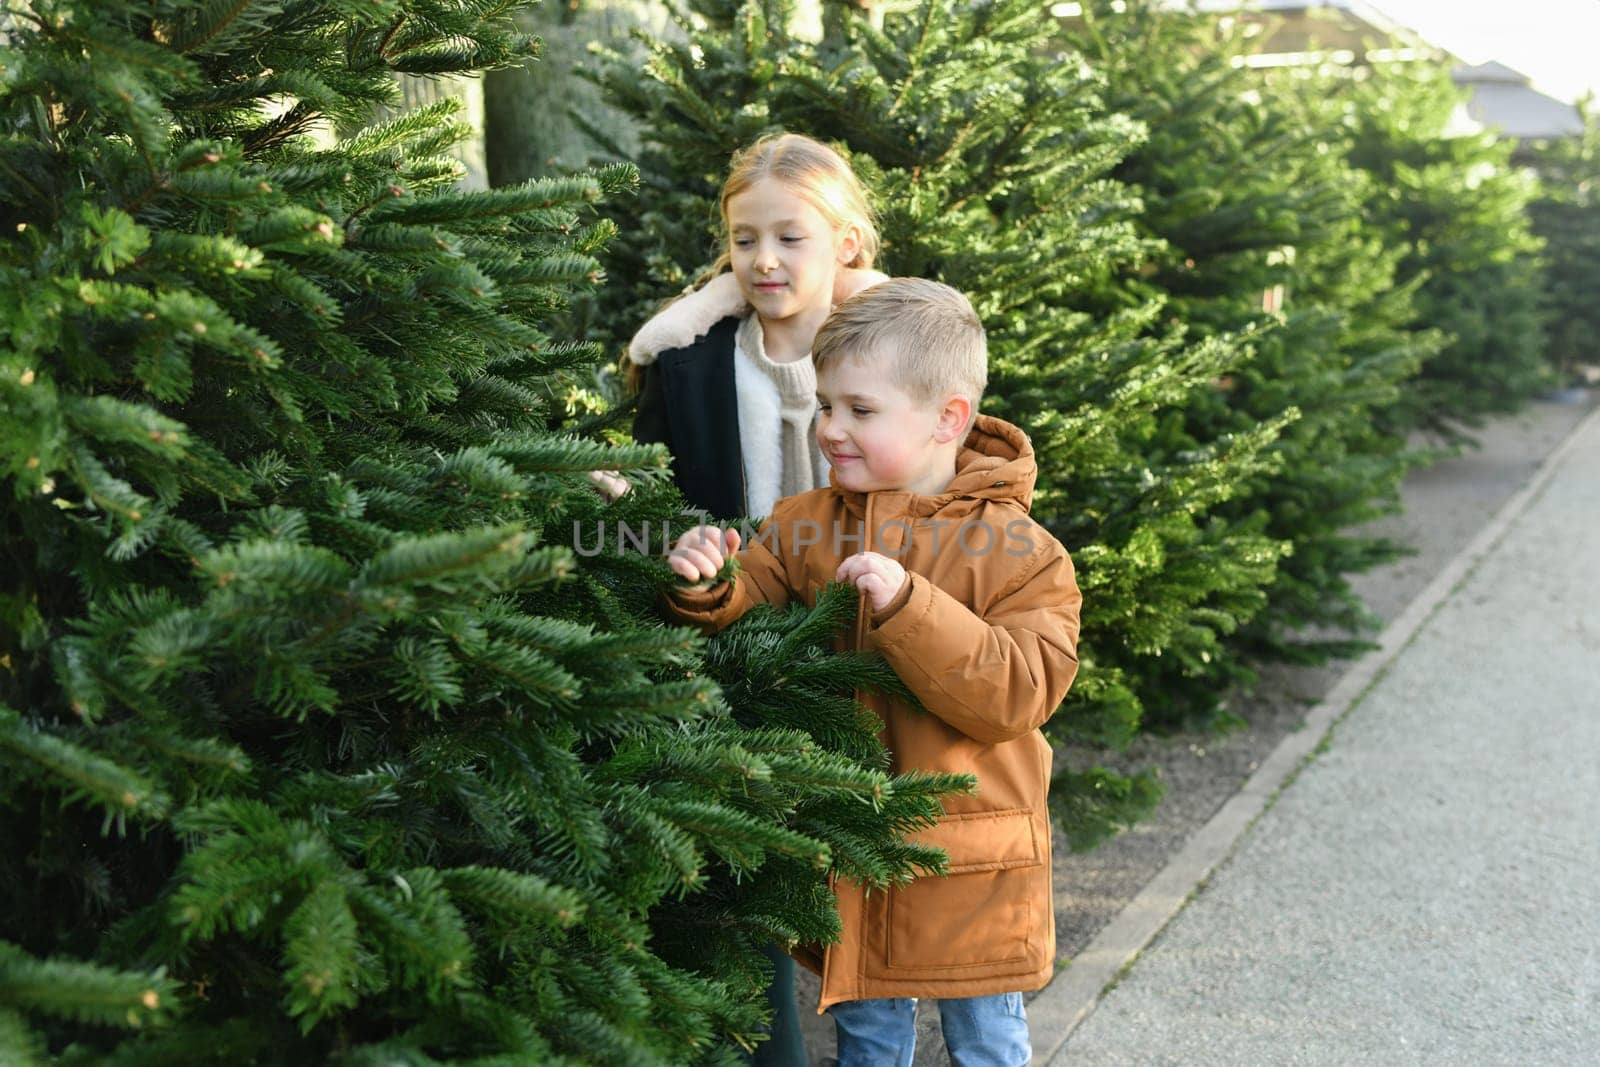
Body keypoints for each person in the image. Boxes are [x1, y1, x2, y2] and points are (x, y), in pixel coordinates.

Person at [663, 279, 1082, 1066]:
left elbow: (1019, 690)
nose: (829, 430)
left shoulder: (1022, 552)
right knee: (866, 1036)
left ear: (946, 419)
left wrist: (911, 606)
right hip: (852, 849)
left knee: (987, 1036)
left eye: (860, 409)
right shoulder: (805, 524)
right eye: (825, 406)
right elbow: (748, 598)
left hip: (969, 860)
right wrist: (706, 583)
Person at [621, 132, 887, 1066]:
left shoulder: (890, 356)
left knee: (868, 868)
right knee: (747, 867)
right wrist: (653, 533)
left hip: (859, 642)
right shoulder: (689, 363)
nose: (764, 259)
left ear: (846, 243)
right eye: (744, 239)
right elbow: (655, 497)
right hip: (724, 640)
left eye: (790, 237)